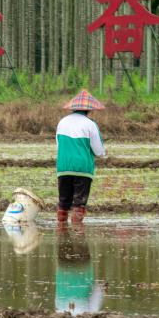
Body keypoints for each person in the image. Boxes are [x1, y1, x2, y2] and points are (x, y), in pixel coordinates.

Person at [55, 89, 106, 224]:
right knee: (79, 203)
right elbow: (99, 151)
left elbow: (59, 145)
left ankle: (62, 233)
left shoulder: (62, 122)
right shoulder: (90, 124)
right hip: (83, 168)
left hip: (63, 167)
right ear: (89, 110)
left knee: (63, 203)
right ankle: (77, 234)